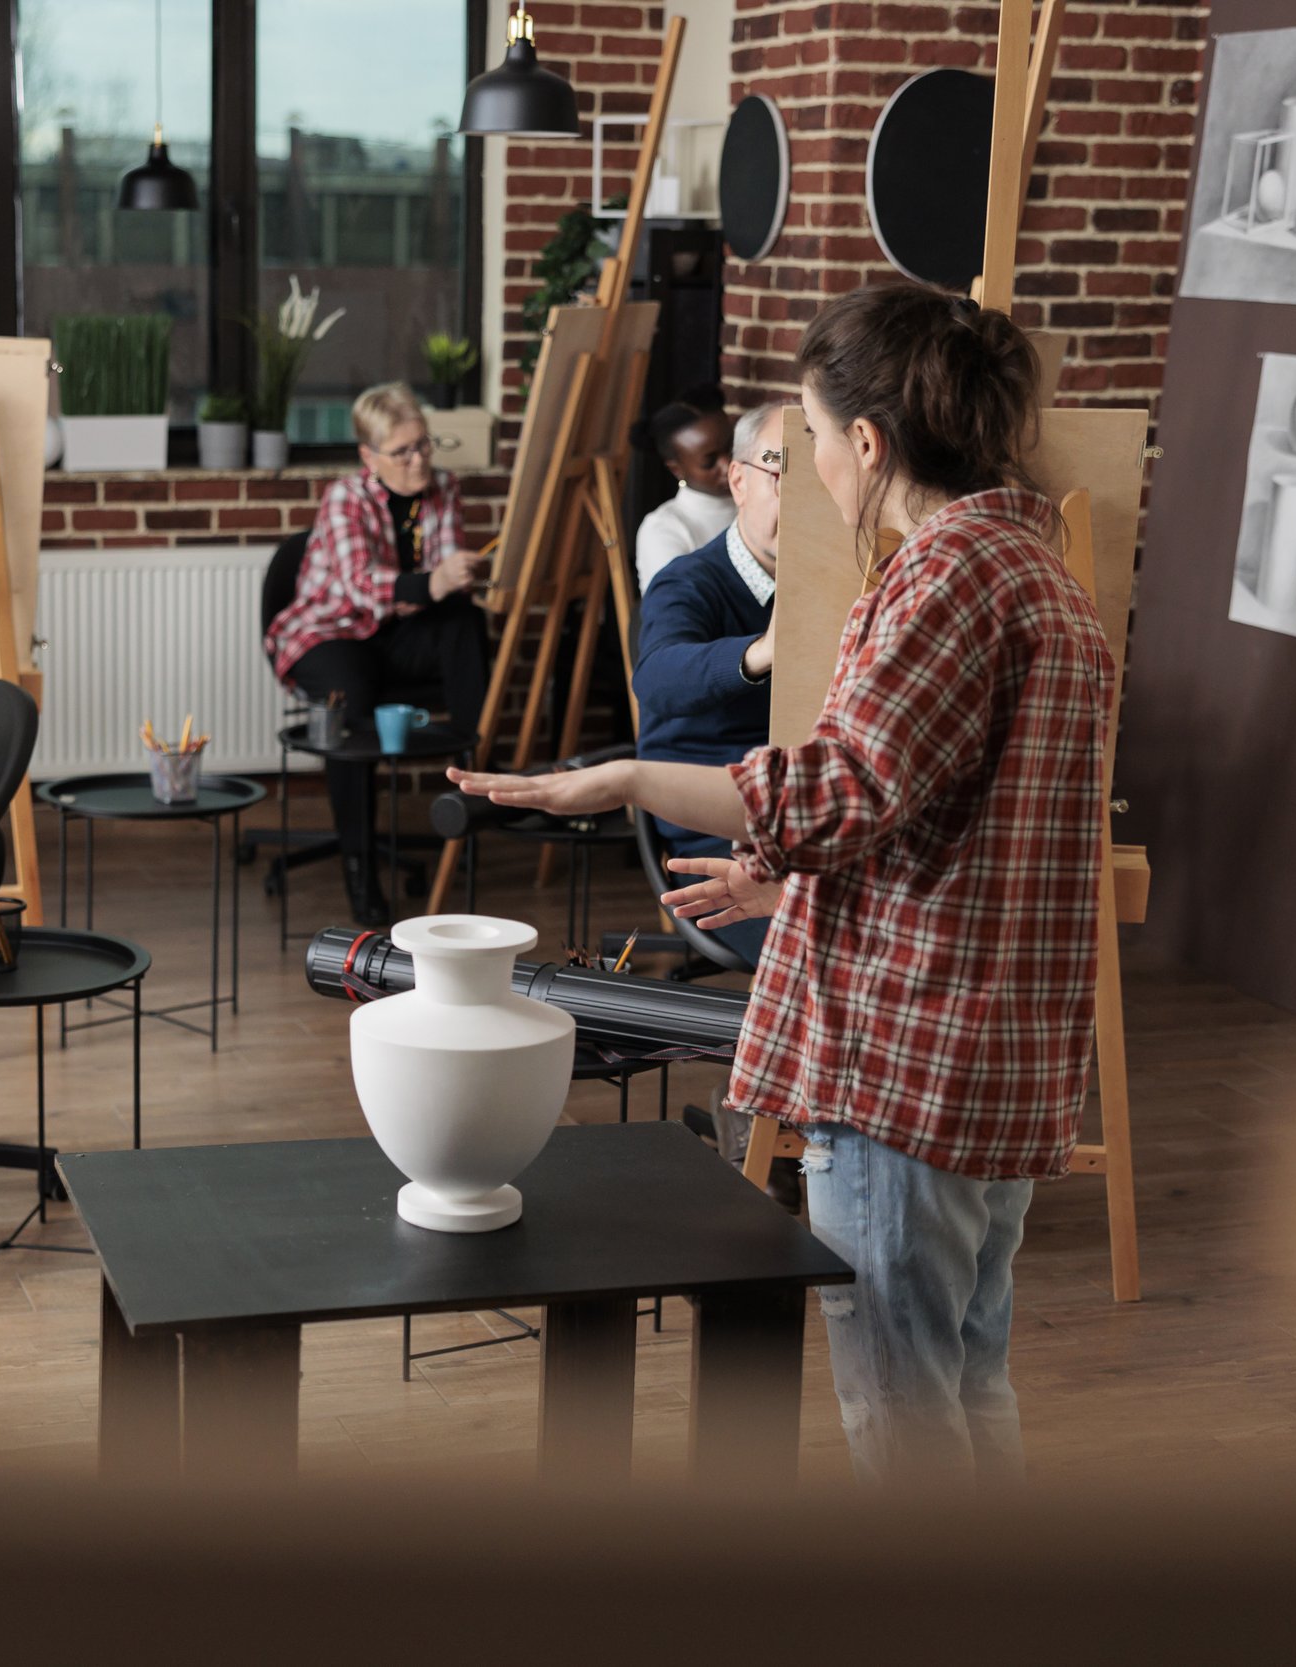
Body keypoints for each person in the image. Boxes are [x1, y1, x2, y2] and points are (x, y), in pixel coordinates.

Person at [450, 283, 1112, 1487]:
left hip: (909, 1062)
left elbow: (839, 790)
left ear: (868, 442)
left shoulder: (942, 579)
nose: (807, 464)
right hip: (994, 1054)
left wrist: (628, 777)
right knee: (967, 1376)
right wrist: (788, 888)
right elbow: (954, 823)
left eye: (807, 437)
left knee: (906, 1409)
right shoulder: (1036, 569)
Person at [265, 381, 489, 928]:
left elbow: (441, 589)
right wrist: (433, 582)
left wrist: (456, 580)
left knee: (467, 621)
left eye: (424, 445)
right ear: (369, 456)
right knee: (352, 700)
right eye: (403, 451)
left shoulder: (444, 487)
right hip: (328, 631)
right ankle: (359, 869)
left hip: (395, 630)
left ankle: (477, 783)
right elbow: (362, 588)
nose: (419, 460)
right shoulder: (346, 496)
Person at [631, 402, 784, 970]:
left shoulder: (843, 578)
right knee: (828, 952)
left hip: (809, 815)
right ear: (739, 481)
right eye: (781, 473)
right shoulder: (688, 579)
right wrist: (759, 652)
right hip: (717, 834)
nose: (803, 498)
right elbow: (657, 679)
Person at [634, 394, 738, 592]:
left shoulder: (760, 501)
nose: (728, 465)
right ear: (676, 469)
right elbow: (678, 611)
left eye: (731, 447)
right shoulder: (665, 529)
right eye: (709, 461)